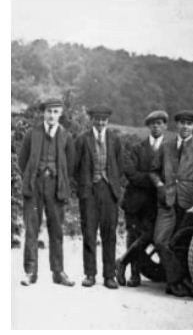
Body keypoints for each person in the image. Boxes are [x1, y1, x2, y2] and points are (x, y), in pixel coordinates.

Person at [150, 110, 193, 297]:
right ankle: (177, 281)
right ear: (177, 125)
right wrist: (159, 185)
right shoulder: (166, 146)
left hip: (190, 203)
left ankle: (177, 284)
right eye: (182, 123)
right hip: (167, 201)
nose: (185, 127)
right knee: (160, 241)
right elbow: (153, 171)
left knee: (183, 244)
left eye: (189, 124)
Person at [18, 98, 76, 287]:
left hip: (55, 187)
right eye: (49, 111)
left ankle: (58, 273)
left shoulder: (66, 136)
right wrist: (33, 175)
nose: (52, 115)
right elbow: (22, 160)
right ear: (44, 113)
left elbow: (70, 164)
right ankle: (30, 272)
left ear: (61, 114)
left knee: (57, 230)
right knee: (32, 230)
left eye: (56, 112)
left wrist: (58, 178)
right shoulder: (32, 134)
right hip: (34, 186)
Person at [72, 106, 124, 289]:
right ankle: (90, 274)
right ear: (91, 119)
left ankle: (109, 276)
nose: (101, 123)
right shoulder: (81, 139)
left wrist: (114, 185)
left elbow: (119, 165)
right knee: (89, 233)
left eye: (104, 120)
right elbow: (74, 166)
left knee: (109, 234)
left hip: (109, 192)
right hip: (89, 193)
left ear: (107, 121)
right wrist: (84, 185)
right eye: (97, 119)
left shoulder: (115, 139)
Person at [115, 110, 168, 287]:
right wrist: (154, 180)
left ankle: (121, 261)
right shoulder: (138, 149)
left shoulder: (169, 149)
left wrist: (151, 179)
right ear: (148, 126)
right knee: (133, 235)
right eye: (152, 123)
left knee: (149, 235)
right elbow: (131, 173)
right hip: (135, 201)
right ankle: (133, 274)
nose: (156, 126)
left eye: (159, 123)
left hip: (156, 203)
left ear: (165, 126)